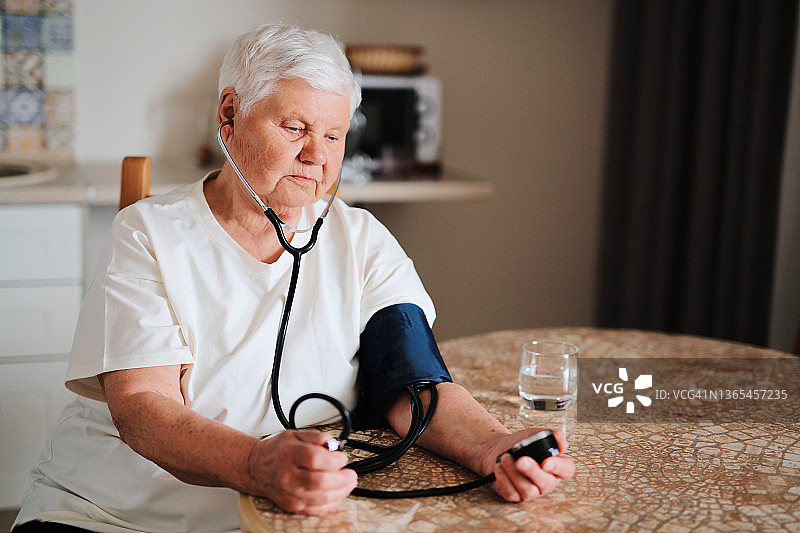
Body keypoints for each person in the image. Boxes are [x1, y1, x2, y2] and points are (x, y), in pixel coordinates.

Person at [12, 23, 574, 532]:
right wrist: (258, 465)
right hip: (115, 517)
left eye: (334, 135)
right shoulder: (149, 234)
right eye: (295, 127)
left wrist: (497, 447)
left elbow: (414, 385)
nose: (317, 157)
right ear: (228, 115)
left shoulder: (361, 240)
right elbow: (143, 410)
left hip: (282, 519)